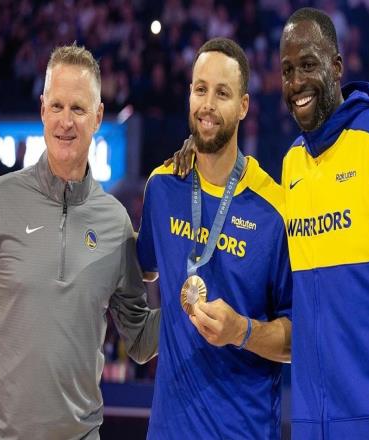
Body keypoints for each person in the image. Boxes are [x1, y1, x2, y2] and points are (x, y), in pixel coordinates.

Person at [170, 8, 369, 440]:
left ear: (337, 66)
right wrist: (197, 146)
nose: (296, 82)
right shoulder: (293, 163)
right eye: (288, 70)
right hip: (313, 423)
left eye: (309, 65)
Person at [0, 44, 160, 440]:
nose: (65, 121)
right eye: (57, 106)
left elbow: (140, 340)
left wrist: (192, 299)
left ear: (98, 116)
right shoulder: (1, 200)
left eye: (78, 108)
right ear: (42, 110)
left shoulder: (115, 222)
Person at [137, 37, 292, 440]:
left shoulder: (274, 211)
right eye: (200, 89)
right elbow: (143, 269)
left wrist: (242, 331)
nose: (207, 104)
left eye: (222, 93)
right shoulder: (162, 186)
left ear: (243, 106)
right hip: (168, 430)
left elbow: (298, 339)